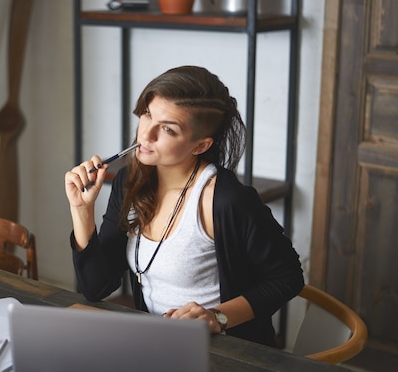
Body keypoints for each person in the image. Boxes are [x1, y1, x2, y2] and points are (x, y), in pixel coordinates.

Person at [64, 65, 304, 347]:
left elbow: (288, 278)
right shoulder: (130, 181)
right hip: (158, 346)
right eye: (147, 115)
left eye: (167, 128)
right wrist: (82, 210)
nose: (146, 135)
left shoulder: (226, 200)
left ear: (200, 146)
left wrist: (218, 317)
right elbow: (96, 287)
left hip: (222, 352)